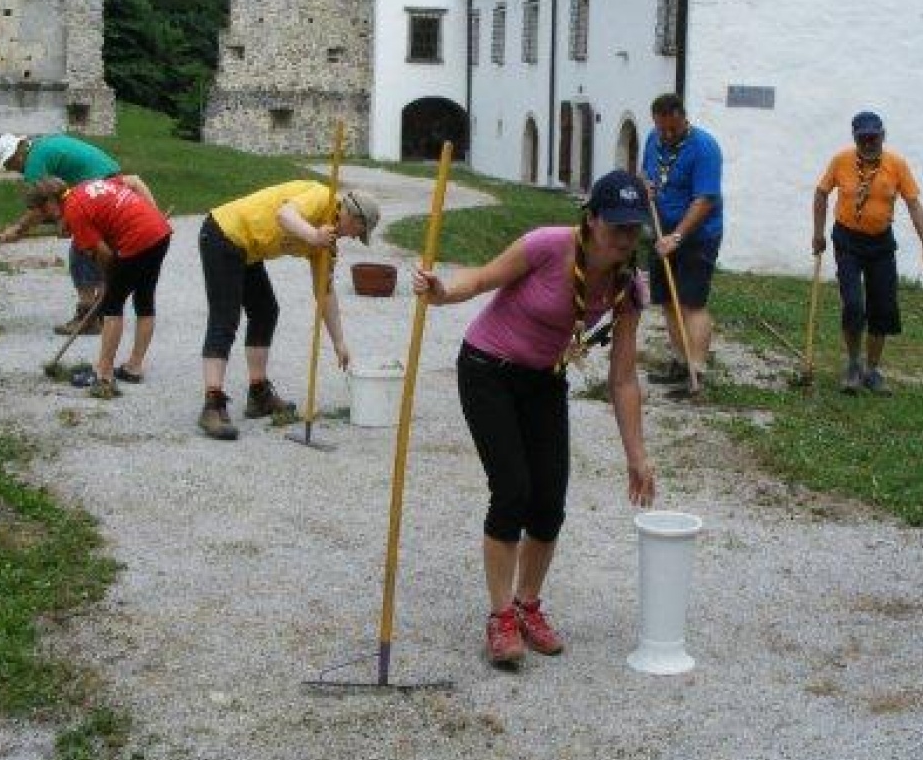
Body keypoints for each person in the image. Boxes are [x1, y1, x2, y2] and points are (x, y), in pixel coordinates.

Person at [413, 170, 657, 667]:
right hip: (487, 369)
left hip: (544, 379)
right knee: (513, 491)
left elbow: (624, 378)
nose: (625, 240)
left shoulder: (628, 287)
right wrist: (442, 293)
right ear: (591, 220)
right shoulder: (547, 245)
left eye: (634, 230)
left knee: (548, 501)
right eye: (616, 228)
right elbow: (483, 278)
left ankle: (527, 606)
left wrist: (637, 457)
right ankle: (500, 617)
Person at [198, 180, 380, 440]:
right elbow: (284, 215)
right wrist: (313, 236)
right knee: (225, 318)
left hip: (248, 249)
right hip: (223, 232)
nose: (353, 237)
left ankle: (258, 392)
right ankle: (212, 405)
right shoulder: (322, 197)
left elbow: (324, 292)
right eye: (357, 231)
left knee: (265, 311)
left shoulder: (326, 246)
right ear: (351, 215)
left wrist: (339, 342)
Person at [811, 111, 923, 395]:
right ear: (855, 138)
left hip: (881, 243)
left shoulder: (896, 165)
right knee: (854, 305)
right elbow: (821, 193)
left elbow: (914, 204)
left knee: (883, 307)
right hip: (847, 241)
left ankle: (872, 370)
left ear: (883, 135)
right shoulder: (841, 161)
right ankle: (853, 364)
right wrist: (818, 233)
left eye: (874, 137)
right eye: (863, 138)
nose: (869, 142)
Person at [0, 132, 156, 336]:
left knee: (82, 249)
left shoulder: (34, 160)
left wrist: (17, 230)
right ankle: (102, 307)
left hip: (96, 189)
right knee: (93, 246)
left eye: (9, 164)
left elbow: (39, 205)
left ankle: (89, 314)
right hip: (107, 182)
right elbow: (54, 199)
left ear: (16, 154)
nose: (11, 169)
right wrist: (63, 220)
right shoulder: (43, 147)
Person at [25, 176, 173, 399]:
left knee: (111, 305)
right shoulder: (84, 188)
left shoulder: (75, 212)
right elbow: (132, 182)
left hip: (137, 239)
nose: (46, 217)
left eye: (43, 212)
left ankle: (104, 374)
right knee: (145, 299)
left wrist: (107, 282)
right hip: (159, 232)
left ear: (50, 203)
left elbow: (104, 254)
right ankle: (134, 366)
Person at [641, 93, 724, 394]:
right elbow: (646, 172)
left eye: (671, 130)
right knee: (668, 301)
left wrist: (678, 237)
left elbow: (704, 200)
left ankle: (696, 371)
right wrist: (645, 185)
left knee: (691, 303)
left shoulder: (704, 148)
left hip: (697, 236)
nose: (666, 135)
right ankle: (679, 362)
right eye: (661, 128)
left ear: (682, 118)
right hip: (661, 232)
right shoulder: (653, 138)